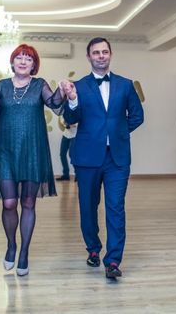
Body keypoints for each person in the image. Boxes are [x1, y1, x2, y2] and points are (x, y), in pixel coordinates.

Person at [0, 44, 64, 276]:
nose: (23, 61)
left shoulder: (40, 85)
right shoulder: (1, 87)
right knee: (8, 203)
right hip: (5, 151)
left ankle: (24, 252)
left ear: (34, 65)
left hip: (33, 151)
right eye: (19, 57)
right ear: (12, 62)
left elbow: (55, 105)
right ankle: (11, 245)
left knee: (28, 202)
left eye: (28, 59)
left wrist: (63, 89)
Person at [61, 37, 144, 279]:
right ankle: (93, 249)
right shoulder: (78, 86)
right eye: (96, 52)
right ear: (89, 56)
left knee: (116, 207)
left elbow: (137, 116)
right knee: (88, 206)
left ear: (110, 54)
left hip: (117, 159)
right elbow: (70, 118)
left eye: (104, 52)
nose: (101, 56)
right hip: (87, 157)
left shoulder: (126, 85)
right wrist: (72, 99)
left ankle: (113, 260)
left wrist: (118, 133)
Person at [56, 115, 77, 181]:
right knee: (62, 154)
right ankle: (66, 175)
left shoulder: (77, 110)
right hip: (66, 134)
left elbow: (79, 122)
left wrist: (72, 124)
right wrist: (65, 124)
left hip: (75, 135)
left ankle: (77, 174)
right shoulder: (64, 110)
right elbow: (61, 119)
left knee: (72, 154)